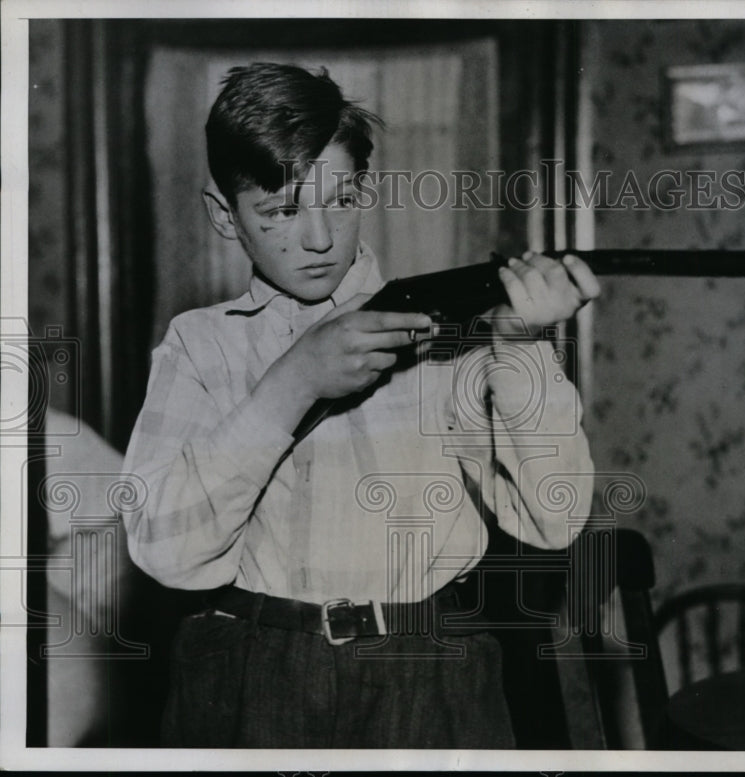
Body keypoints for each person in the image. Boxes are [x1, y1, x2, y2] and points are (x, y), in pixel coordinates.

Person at [120, 62, 599, 749]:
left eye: (339, 201)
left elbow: (553, 517)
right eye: (283, 210)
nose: (318, 237)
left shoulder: (444, 332)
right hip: (254, 676)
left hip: (431, 673)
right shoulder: (202, 346)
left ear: (364, 190)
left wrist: (522, 347)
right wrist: (294, 381)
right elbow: (167, 551)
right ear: (223, 216)